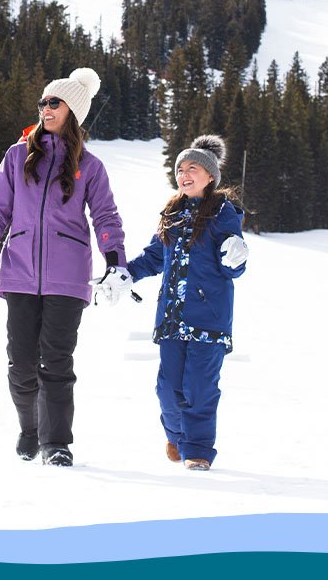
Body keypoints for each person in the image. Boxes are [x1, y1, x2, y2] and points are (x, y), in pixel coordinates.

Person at [0, 67, 131, 467]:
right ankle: (30, 428)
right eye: (42, 102)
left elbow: (106, 217)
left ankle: (56, 442)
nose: (44, 108)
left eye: (53, 102)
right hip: (19, 272)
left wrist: (115, 263)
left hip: (67, 278)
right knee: (22, 363)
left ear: (72, 110)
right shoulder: (16, 156)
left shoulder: (89, 167)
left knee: (55, 363)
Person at [123, 135, 248, 471]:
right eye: (180, 168)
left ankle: (198, 451)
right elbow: (155, 256)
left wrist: (236, 257)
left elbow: (230, 263)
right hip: (171, 318)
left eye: (193, 167)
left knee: (199, 389)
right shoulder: (173, 212)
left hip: (208, 318)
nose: (184, 173)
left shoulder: (224, 213)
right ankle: (179, 437)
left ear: (210, 176)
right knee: (167, 388)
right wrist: (126, 274)